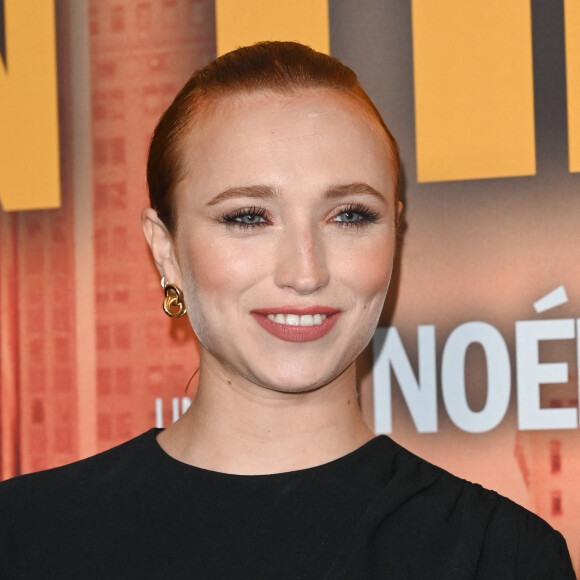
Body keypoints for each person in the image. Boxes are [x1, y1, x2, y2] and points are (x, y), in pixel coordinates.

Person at [0, 41, 574, 579]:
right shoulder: (24, 538)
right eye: (248, 216)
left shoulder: (499, 557)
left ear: (395, 234)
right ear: (166, 250)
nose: (305, 272)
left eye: (350, 215)